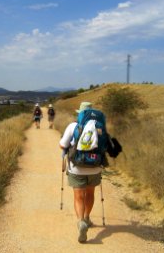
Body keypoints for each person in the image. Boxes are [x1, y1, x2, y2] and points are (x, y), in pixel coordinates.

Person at [59, 102, 104, 243]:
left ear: (80, 113)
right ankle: (86, 217)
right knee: (90, 194)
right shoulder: (100, 127)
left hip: (77, 167)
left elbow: (62, 145)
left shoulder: (73, 126)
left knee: (79, 196)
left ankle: (81, 222)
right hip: (95, 166)